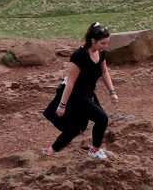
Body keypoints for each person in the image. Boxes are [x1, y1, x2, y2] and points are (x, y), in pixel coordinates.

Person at [42, 22, 119, 161]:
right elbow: (70, 82)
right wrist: (62, 105)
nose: (105, 46)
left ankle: (50, 151)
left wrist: (112, 91)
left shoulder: (100, 53)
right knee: (102, 118)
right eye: (103, 43)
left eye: (107, 43)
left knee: (75, 128)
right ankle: (95, 150)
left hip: (87, 94)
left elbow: (104, 71)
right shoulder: (79, 56)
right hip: (75, 95)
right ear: (93, 41)